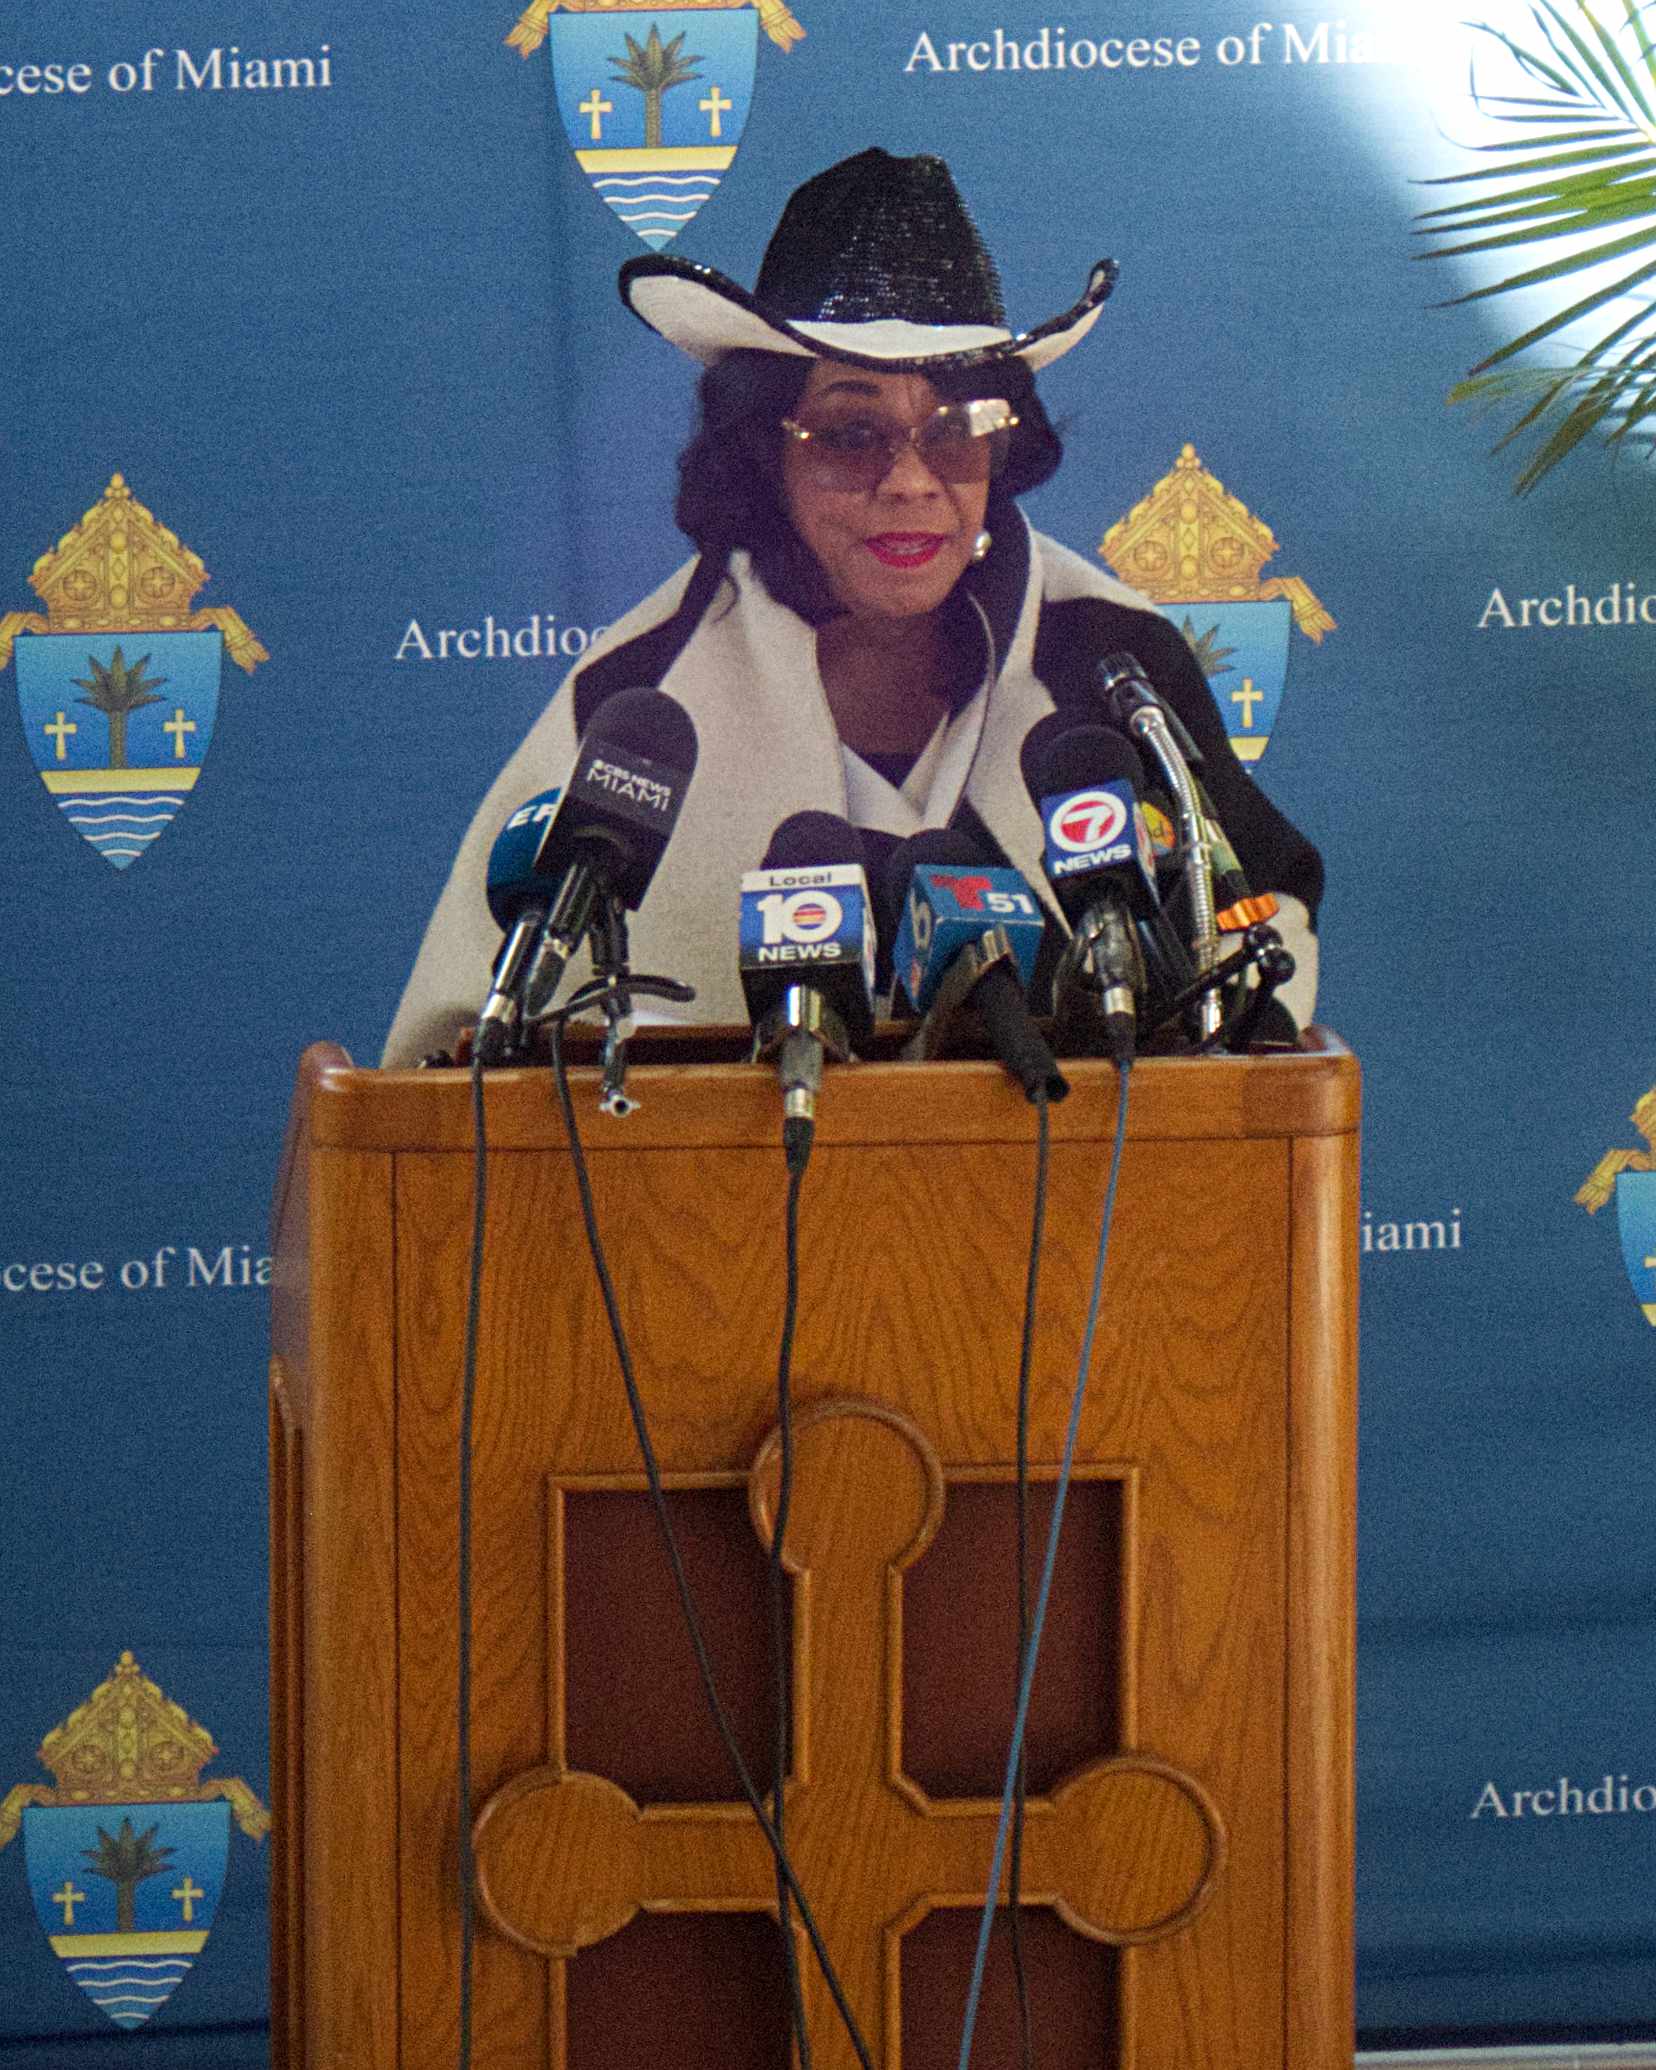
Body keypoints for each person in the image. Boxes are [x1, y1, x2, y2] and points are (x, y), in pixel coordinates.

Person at [382, 148, 1322, 1067]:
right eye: (851, 432)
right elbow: (455, 1053)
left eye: (958, 427)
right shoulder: (636, 696)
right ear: (765, 450)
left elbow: (1258, 937)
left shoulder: (1115, 656)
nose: (910, 481)